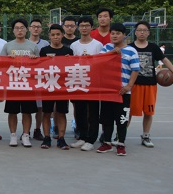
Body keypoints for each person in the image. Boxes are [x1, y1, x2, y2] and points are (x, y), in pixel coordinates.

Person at [129, 21, 173, 148]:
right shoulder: (129, 48)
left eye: (145, 30)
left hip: (150, 85)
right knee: (128, 112)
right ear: (135, 32)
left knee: (149, 112)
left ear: (148, 33)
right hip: (133, 85)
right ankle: (120, 135)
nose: (142, 32)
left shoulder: (153, 47)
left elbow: (165, 60)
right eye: (139, 30)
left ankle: (145, 136)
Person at [97, 23, 139, 156]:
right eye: (113, 33)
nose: (115, 36)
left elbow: (135, 70)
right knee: (107, 119)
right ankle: (107, 143)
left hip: (123, 92)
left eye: (118, 33)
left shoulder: (131, 51)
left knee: (122, 119)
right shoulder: (106, 48)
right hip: (108, 91)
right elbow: (99, 62)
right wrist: (111, 53)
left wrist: (128, 86)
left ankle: (121, 144)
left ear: (124, 35)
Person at [0, 18, 39, 147]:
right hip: (13, 83)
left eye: (22, 28)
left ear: (27, 30)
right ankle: (13, 135)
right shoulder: (8, 46)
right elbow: (1, 65)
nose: (19, 30)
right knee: (12, 111)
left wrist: (34, 59)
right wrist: (7, 60)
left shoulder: (33, 46)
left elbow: (40, 65)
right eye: (17, 28)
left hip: (28, 84)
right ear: (13, 31)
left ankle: (26, 135)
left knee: (27, 112)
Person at [70, 16, 104, 151]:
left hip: (93, 83)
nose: (84, 28)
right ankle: (82, 136)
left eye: (87, 25)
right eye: (82, 26)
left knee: (93, 112)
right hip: (79, 81)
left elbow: (102, 63)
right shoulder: (74, 45)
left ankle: (91, 139)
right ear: (78, 28)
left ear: (91, 27)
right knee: (80, 111)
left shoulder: (97, 45)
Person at [39, 24, 73, 149]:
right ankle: (47, 138)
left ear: (62, 35)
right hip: (48, 86)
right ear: (49, 36)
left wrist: (70, 60)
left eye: (58, 34)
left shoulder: (68, 51)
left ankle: (61, 139)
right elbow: (38, 68)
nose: (55, 37)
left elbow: (72, 69)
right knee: (46, 112)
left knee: (61, 112)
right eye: (53, 35)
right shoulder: (44, 51)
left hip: (62, 87)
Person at [28, 18, 50, 141]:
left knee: (40, 107)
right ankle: (26, 130)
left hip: (41, 78)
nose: (36, 28)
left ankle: (37, 129)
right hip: (27, 79)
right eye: (33, 26)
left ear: (41, 29)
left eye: (38, 27)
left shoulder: (46, 44)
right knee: (26, 107)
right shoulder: (24, 43)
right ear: (29, 28)